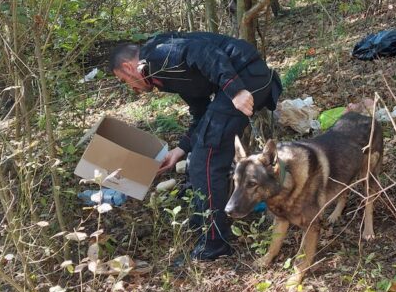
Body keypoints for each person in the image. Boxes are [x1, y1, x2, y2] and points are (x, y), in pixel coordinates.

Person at [107, 32, 282, 262]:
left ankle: (214, 243)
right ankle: (205, 221)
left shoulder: (156, 57)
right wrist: (180, 150)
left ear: (128, 67)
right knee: (200, 155)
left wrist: (234, 89)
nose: (132, 88)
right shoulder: (161, 75)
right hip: (243, 79)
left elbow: (203, 52)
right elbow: (201, 113)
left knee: (205, 161)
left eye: (123, 80)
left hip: (245, 77)